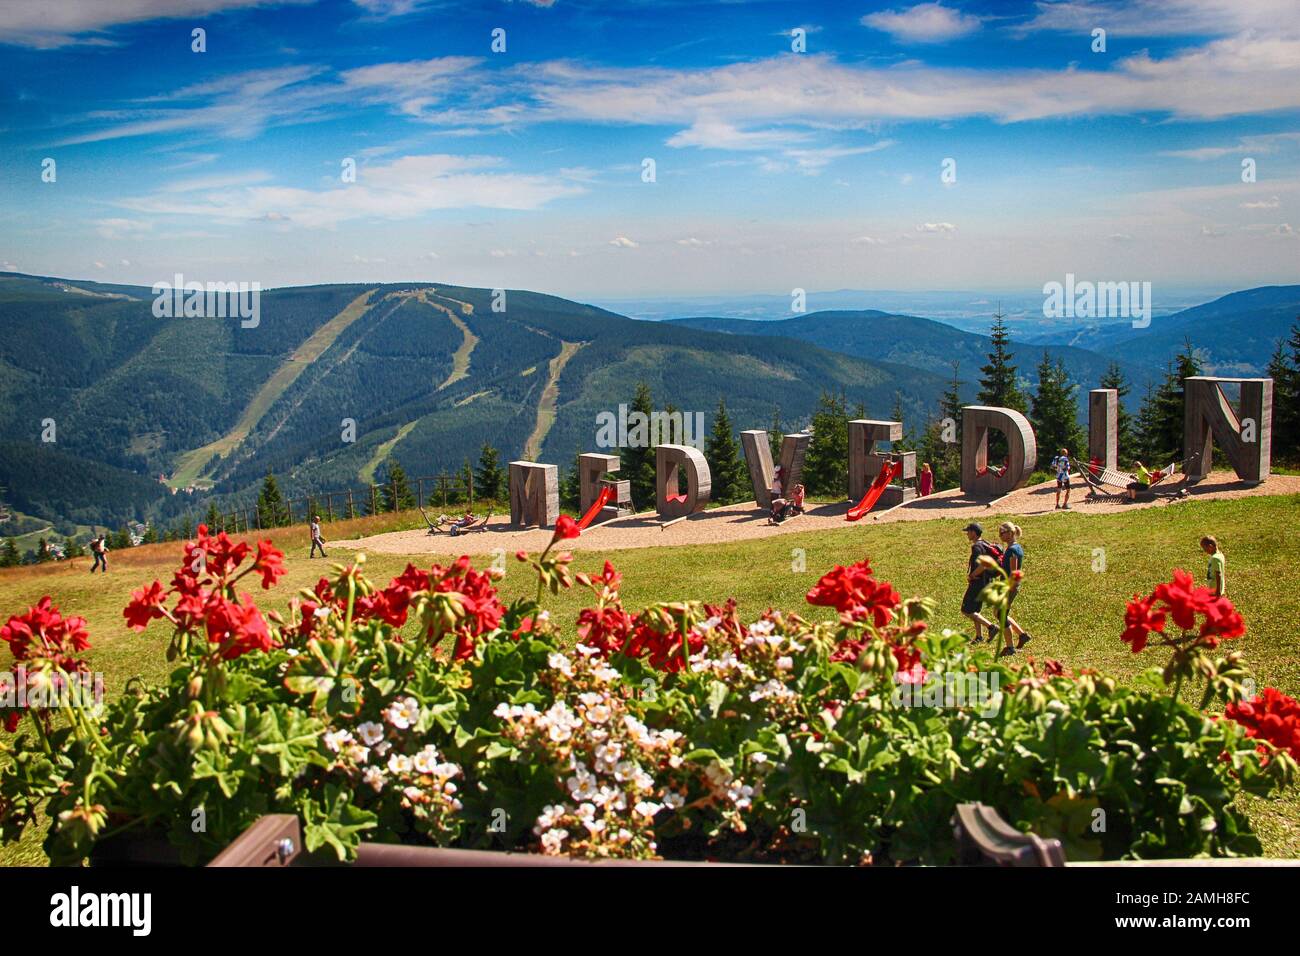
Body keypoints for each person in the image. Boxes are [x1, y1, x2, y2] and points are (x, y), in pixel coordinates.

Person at [994, 522, 1033, 657]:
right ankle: (1022, 635)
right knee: (998, 613)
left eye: (1002, 532)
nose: (1000, 535)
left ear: (1010, 533)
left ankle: (1010, 647)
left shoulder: (1012, 550)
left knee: (1001, 615)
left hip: (1009, 586)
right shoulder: (1013, 547)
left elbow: (1014, 572)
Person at [960, 523, 1000, 642]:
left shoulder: (977, 547)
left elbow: (983, 565)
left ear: (973, 532)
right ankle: (979, 636)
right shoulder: (985, 544)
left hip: (978, 582)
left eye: (968, 531)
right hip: (986, 581)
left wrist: (972, 575)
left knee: (967, 610)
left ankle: (991, 627)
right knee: (975, 610)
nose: (967, 534)